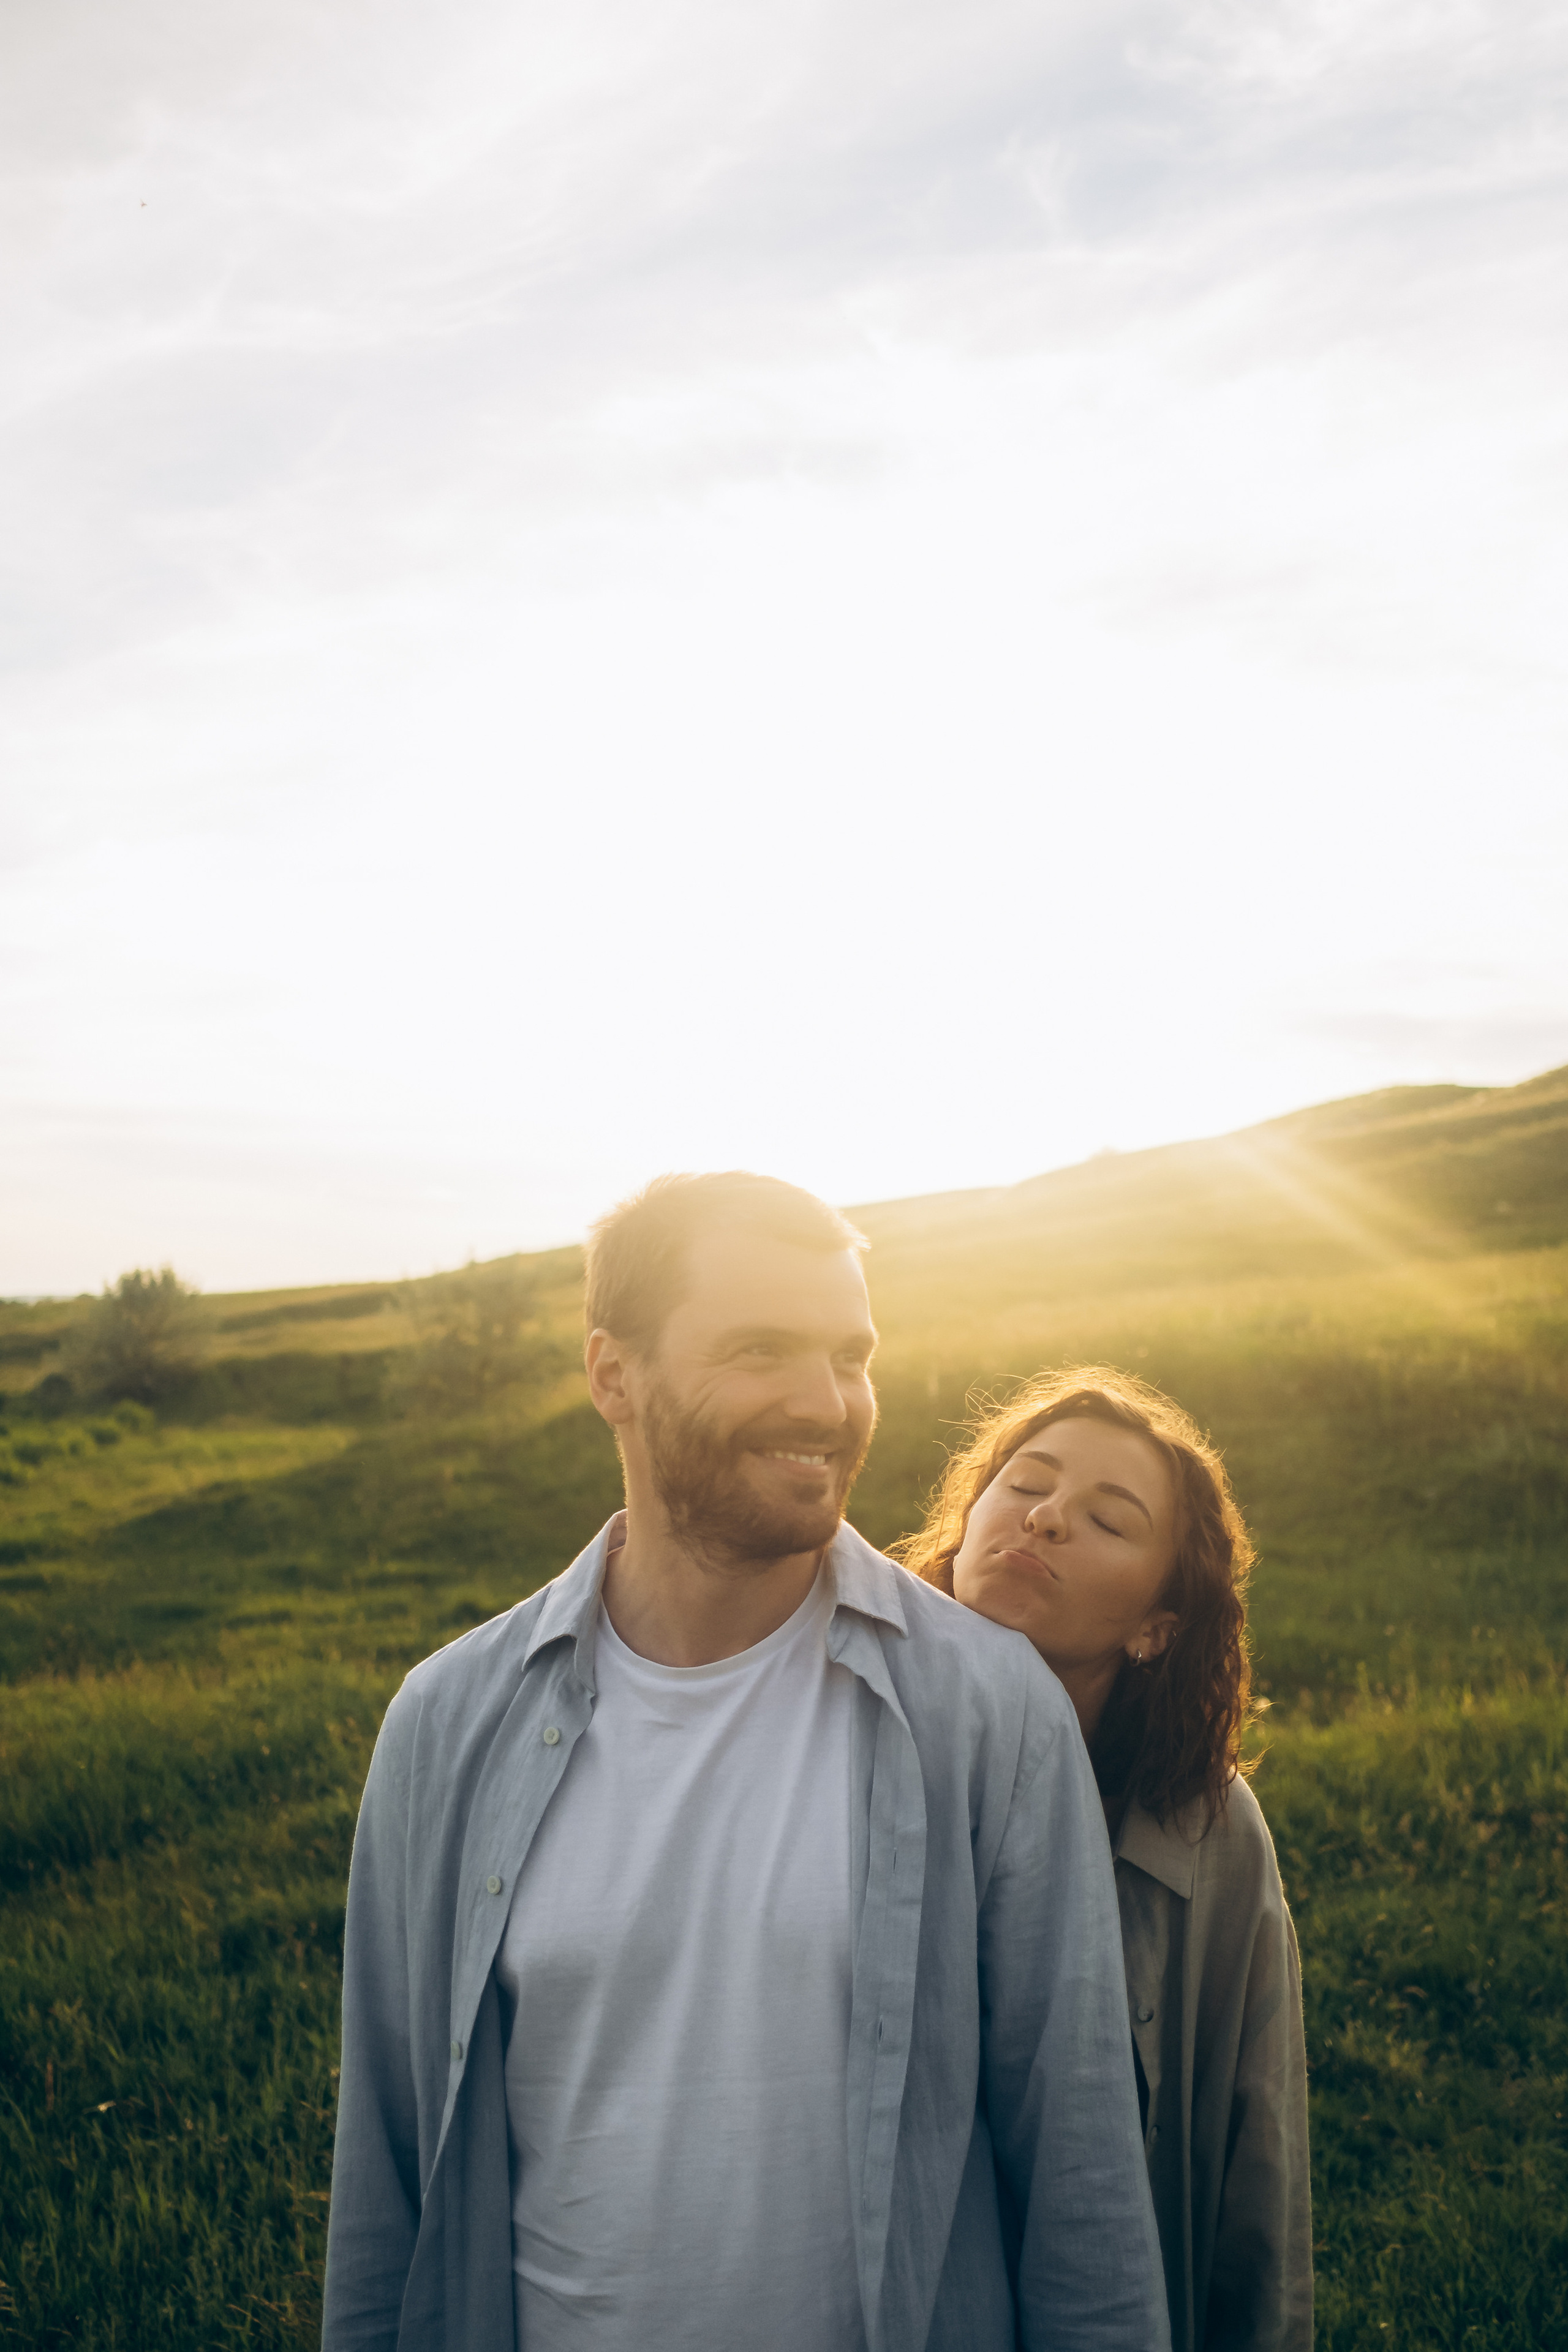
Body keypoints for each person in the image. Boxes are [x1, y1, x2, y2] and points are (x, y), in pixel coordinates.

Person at [322, 1177, 1169, 2352]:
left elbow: (1080, 2188)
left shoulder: (986, 1710)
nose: (825, 1403)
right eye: (761, 1349)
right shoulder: (446, 1724)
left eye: (850, 1353)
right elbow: (388, 2178)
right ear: (613, 1373)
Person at [897, 1366, 1313, 2352]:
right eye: (1026, 1483)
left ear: (1155, 1628)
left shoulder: (1207, 1832)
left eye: (1109, 1520)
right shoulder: (829, 1742)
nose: (1045, 1519)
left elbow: (1256, 2167)